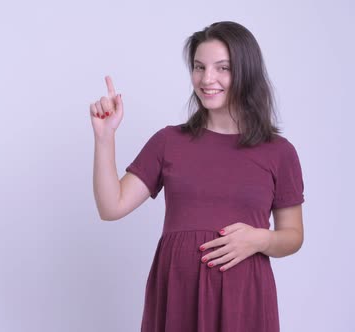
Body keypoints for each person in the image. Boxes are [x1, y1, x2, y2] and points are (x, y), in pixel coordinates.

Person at [90, 21, 304, 332]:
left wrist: (260, 239)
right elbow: (111, 207)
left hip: (244, 298)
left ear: (246, 72)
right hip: (178, 293)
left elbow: (293, 235)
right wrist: (105, 138)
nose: (207, 79)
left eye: (222, 68)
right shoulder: (169, 142)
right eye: (199, 67)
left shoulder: (279, 152)